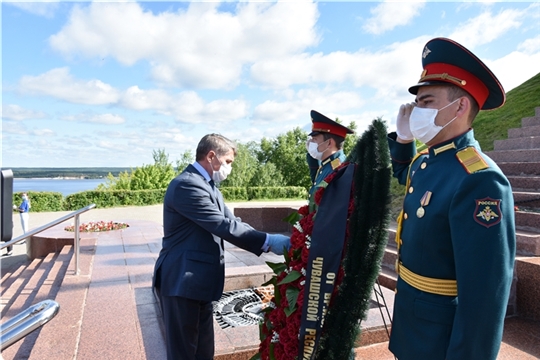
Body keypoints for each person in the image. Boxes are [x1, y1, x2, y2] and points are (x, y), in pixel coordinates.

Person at [388, 37, 516, 360]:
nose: (417, 110)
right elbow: (411, 179)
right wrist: (404, 141)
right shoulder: (428, 161)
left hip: (440, 344)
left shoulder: (480, 179)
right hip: (412, 330)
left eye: (426, 102)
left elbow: (484, 301)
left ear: (459, 106)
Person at [152, 133, 290, 360]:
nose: (229, 168)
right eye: (228, 162)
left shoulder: (209, 186)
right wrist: (268, 242)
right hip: (181, 281)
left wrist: (268, 238)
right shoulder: (187, 185)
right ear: (211, 156)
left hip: (198, 282)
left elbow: (234, 222)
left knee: (204, 351)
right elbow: (221, 225)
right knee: (184, 353)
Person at [306, 110, 354, 198]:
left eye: (315, 139)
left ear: (329, 143)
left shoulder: (339, 170)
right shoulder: (325, 166)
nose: (310, 143)